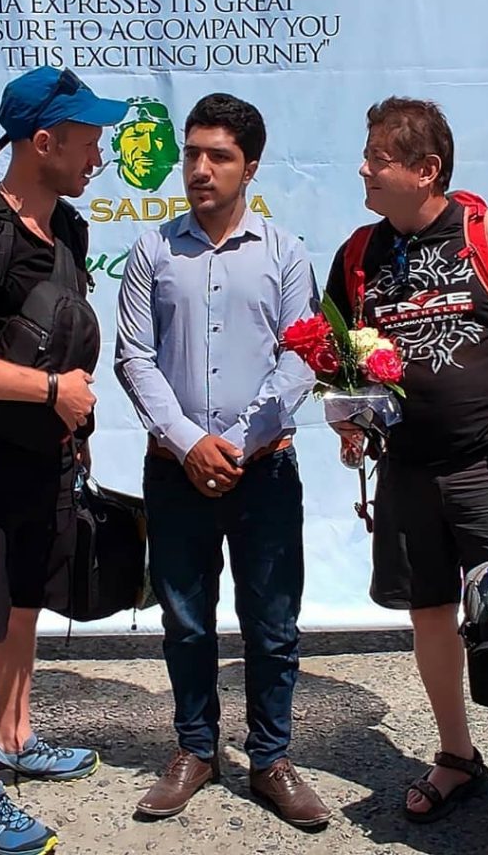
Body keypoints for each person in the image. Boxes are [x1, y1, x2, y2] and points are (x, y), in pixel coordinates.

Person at [325, 97, 488, 855]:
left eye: (378, 156)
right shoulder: (359, 253)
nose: (364, 167)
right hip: (406, 474)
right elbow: (343, 359)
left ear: (426, 169)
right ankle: (456, 757)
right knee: (430, 618)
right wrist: (350, 417)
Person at [0, 66, 128, 855]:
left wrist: (66, 418)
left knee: (24, 604)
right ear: (44, 142)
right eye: (87, 137)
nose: (97, 153)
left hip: (47, 462)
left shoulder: (66, 230)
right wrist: (48, 391)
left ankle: (15, 733)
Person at [114, 93, 331, 828]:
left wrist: (233, 444)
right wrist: (187, 441)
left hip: (263, 471)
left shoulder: (286, 253)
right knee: (185, 620)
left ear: (251, 167)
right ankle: (195, 750)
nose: (199, 169)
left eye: (219, 156)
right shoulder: (152, 251)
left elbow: (301, 361)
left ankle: (271, 760)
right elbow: (134, 358)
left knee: (272, 625)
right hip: (174, 472)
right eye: (192, 153)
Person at [112, 97, 181, 190]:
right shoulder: (94, 186)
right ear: (117, 143)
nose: (147, 149)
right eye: (136, 136)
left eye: (158, 137)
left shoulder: (188, 181)